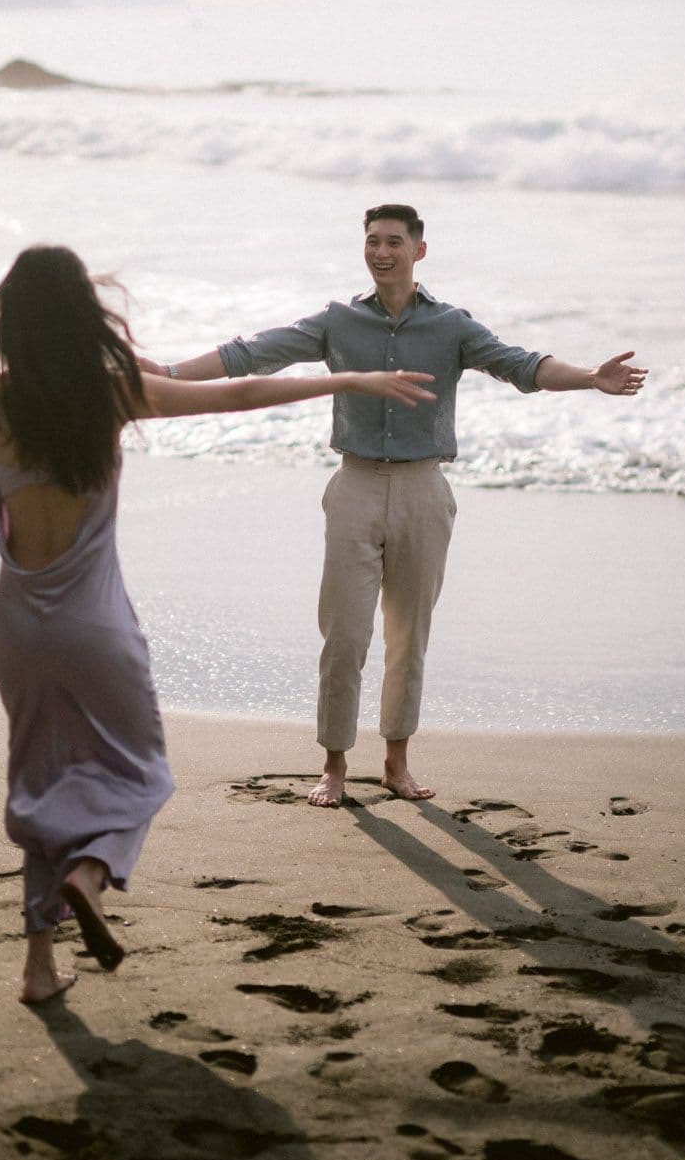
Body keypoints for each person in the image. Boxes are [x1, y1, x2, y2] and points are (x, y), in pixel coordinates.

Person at [0, 244, 433, 1004]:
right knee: (137, 770)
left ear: (12, 318)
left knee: (38, 780)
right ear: (84, 316)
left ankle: (36, 968)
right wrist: (349, 377)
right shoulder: (114, 391)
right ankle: (90, 873)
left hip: (19, 629)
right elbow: (237, 396)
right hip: (96, 628)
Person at [143, 203, 646, 809]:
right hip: (354, 487)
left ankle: (396, 764)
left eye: (393, 243)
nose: (381, 253)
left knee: (409, 637)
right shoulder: (337, 321)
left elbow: (521, 365)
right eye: (372, 242)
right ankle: (333, 765)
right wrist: (170, 372)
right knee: (345, 635)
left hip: (423, 491)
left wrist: (590, 377)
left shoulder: (451, 326)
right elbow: (254, 353)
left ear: (419, 251)